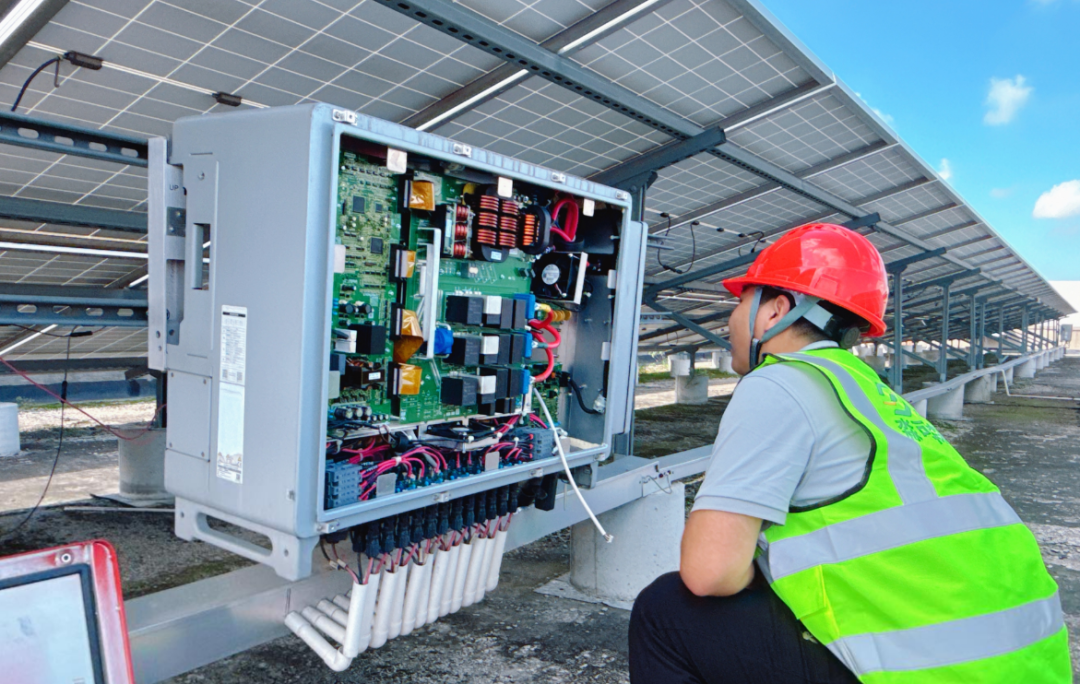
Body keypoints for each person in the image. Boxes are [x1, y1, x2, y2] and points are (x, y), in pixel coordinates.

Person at [628, 223, 1071, 683]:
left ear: (776, 310)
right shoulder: (869, 391)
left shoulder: (780, 381)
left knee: (665, 611)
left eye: (740, 302)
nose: (729, 321)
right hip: (1025, 664)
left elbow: (710, 572)